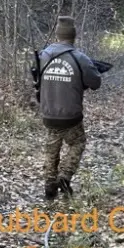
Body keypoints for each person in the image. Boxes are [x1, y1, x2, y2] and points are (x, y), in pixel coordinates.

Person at [37, 16, 101, 199]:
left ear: (57, 35)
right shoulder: (80, 58)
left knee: (52, 147)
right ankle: (64, 176)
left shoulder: (43, 56)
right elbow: (96, 83)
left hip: (48, 113)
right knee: (78, 142)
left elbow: (37, 79)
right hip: (71, 116)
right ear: (74, 36)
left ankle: (49, 185)